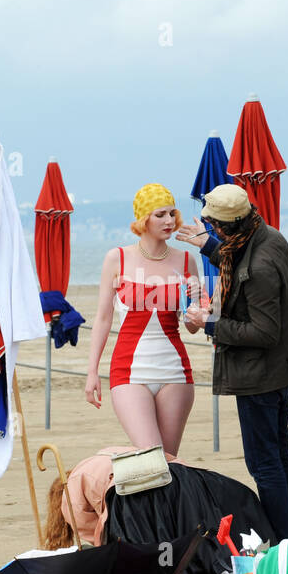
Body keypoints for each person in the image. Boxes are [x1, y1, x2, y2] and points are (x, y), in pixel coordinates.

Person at [175, 184, 288, 542]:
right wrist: (208, 246)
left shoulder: (262, 263)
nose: (212, 230)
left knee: (265, 466)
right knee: (279, 457)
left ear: (228, 226)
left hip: (260, 376)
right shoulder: (268, 237)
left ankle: (284, 544)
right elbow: (240, 257)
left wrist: (211, 323)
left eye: (215, 227)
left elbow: (264, 331)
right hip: (279, 370)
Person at [85, 184, 199, 456]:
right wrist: (92, 372)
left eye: (172, 213)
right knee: (150, 455)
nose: (169, 221)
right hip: (129, 371)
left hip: (175, 371)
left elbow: (193, 326)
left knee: (169, 461)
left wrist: (196, 299)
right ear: (143, 218)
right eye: (160, 214)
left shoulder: (186, 261)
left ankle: (170, 501)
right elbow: (102, 318)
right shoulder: (117, 258)